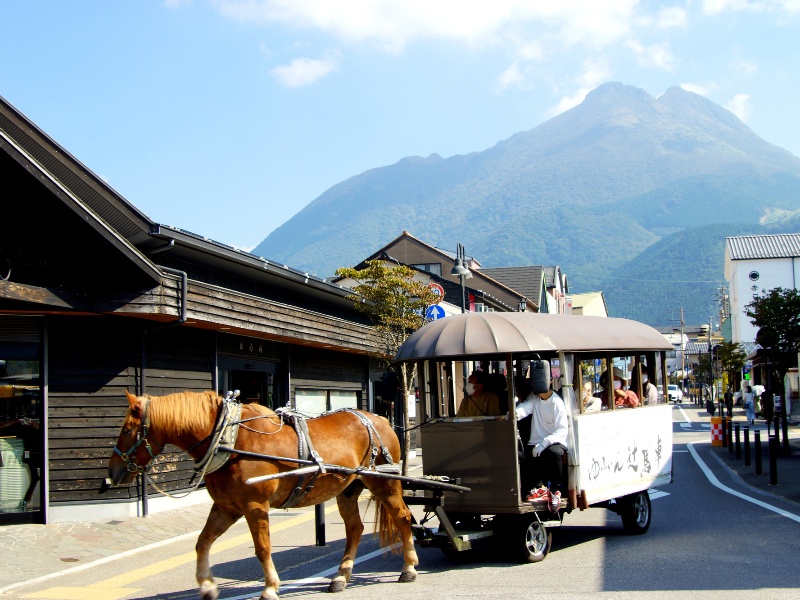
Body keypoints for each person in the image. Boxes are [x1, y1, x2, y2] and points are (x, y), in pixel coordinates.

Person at [515, 384, 568, 512]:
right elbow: (524, 408)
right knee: (521, 454)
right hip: (535, 441)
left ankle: (555, 491)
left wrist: (545, 442)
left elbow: (562, 429)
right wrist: (514, 414)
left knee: (553, 453)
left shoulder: (557, 402)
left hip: (556, 440)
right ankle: (534, 488)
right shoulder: (534, 398)